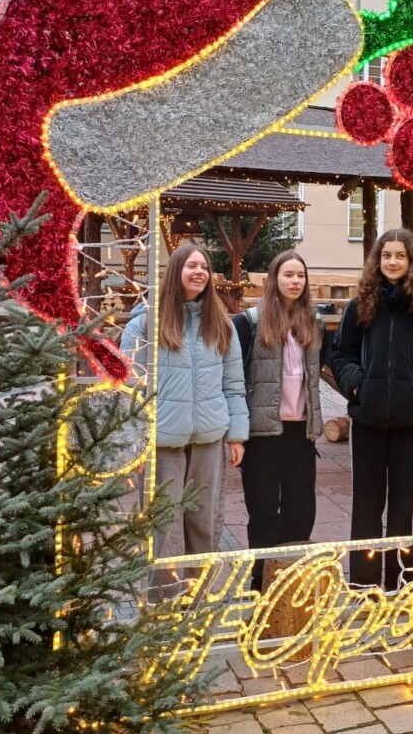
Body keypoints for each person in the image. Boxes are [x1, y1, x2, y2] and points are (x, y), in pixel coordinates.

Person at [331, 229, 413, 591]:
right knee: (366, 506)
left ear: (411, 260)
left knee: (402, 509)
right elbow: (340, 353)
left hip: (409, 425)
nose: (392, 262)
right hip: (367, 422)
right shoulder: (360, 306)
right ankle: (364, 584)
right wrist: (358, 385)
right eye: (386, 255)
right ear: (378, 260)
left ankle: (399, 584)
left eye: (400, 255)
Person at [120, 244, 248, 592]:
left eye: (204, 267)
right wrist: (133, 444)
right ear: (176, 271)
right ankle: (164, 601)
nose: (199, 272)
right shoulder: (146, 324)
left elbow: (234, 385)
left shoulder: (222, 326)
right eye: (191, 265)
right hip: (162, 442)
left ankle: (198, 598)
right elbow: (129, 389)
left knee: (204, 521)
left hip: (209, 439)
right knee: (165, 526)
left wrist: (237, 435)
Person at [233, 251, 326, 586]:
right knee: (263, 514)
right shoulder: (249, 323)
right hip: (262, 436)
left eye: (300, 275)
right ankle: (262, 584)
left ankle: (290, 585)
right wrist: (236, 433)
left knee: (302, 512)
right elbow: (234, 378)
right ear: (274, 278)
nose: (295, 281)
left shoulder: (313, 323)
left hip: (301, 433)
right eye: (288, 274)